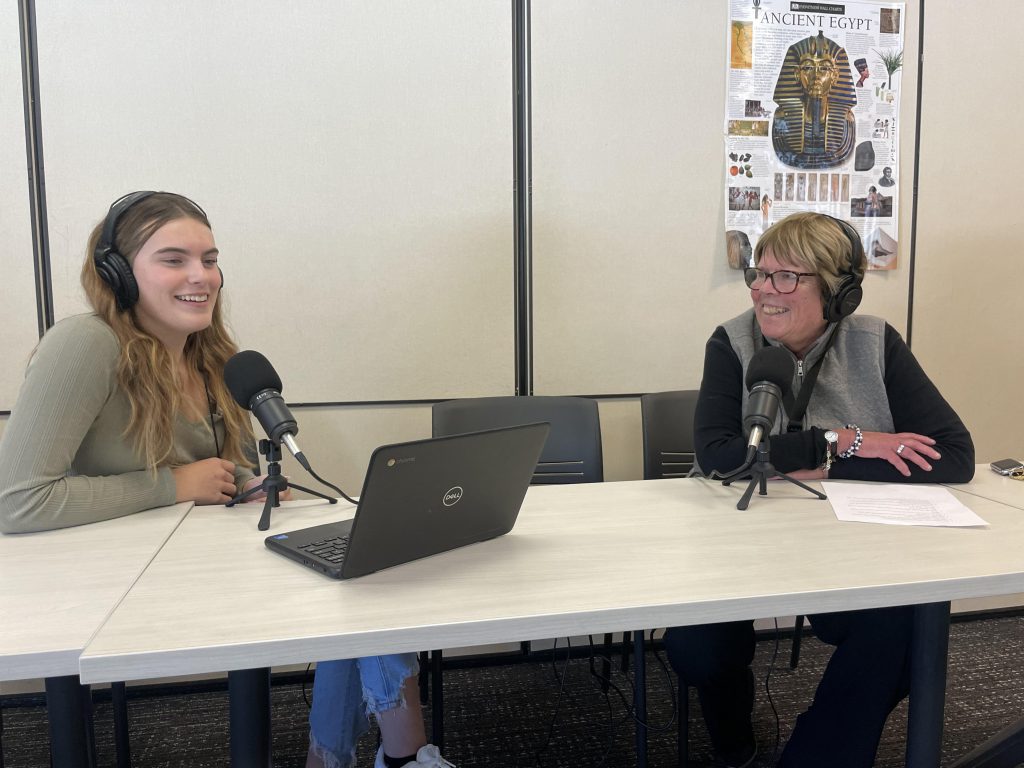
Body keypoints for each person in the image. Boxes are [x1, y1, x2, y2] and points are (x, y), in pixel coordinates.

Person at [0, 192, 453, 768]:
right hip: (113, 594)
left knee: (362, 570)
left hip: (201, 570)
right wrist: (176, 484)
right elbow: (16, 502)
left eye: (210, 259)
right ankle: (401, 759)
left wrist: (248, 481)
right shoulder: (85, 344)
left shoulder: (210, 354)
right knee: (357, 586)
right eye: (174, 259)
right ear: (116, 273)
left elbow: (222, 465)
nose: (202, 276)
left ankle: (349, 756)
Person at [664, 211, 974, 768]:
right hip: (735, 540)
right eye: (760, 273)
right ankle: (735, 744)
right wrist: (845, 442)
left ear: (837, 292)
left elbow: (953, 456)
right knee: (698, 651)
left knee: (901, 631)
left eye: (787, 276)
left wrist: (821, 466)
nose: (764, 289)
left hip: (845, 546)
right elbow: (720, 458)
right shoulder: (732, 342)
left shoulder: (876, 343)